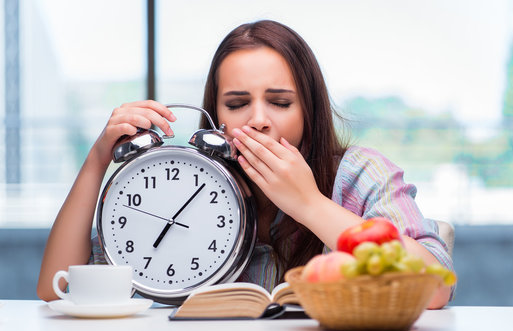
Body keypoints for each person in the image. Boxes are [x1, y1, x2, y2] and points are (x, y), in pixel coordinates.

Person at [37, 20, 454, 308]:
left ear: (309, 109)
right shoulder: (186, 181)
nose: (258, 119)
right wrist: (96, 161)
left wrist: (308, 203)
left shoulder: (361, 175)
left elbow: (434, 288)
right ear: (216, 117)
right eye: (237, 104)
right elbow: (56, 289)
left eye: (280, 102)